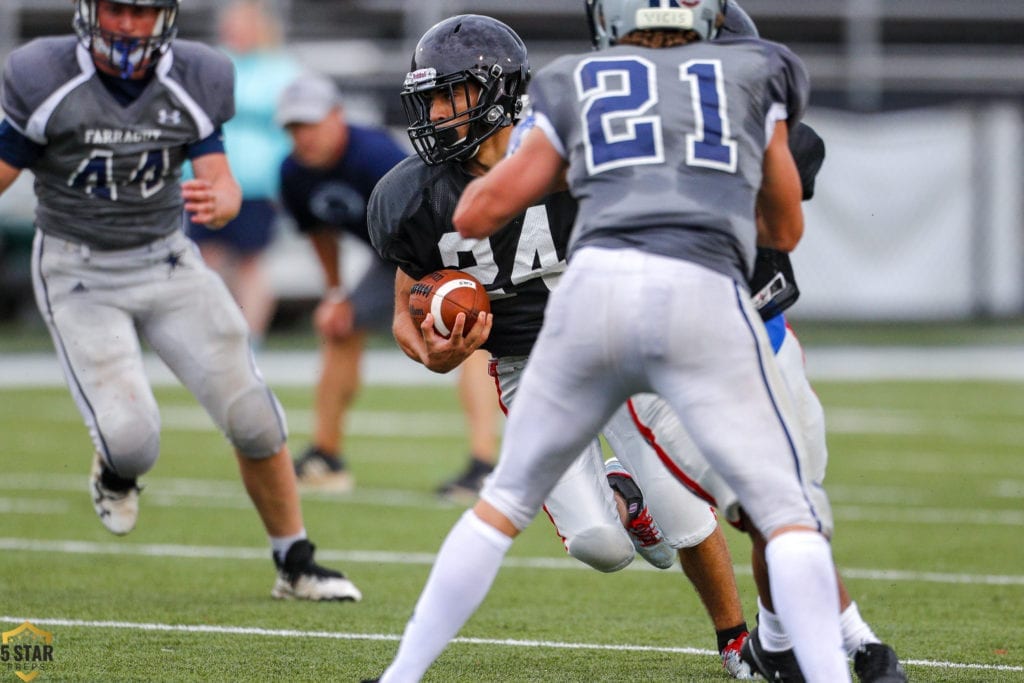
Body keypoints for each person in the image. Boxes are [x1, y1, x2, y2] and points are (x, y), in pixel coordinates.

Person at [367, 0, 855, 680]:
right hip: (532, 360)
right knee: (602, 543)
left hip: (619, 331)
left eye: (455, 96)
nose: (440, 115)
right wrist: (433, 351)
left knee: (692, 509)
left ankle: (740, 639)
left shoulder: (576, 127)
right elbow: (404, 312)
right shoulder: (411, 196)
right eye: (433, 101)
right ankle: (814, 634)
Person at [0, 0, 359, 602]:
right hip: (78, 272)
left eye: (145, 11)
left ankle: (295, 562)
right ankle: (117, 468)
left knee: (254, 415)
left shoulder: (197, 73)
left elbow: (218, 173)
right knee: (134, 440)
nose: (132, 25)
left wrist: (222, 196)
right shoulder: (44, 75)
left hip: (167, 261)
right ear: (90, 10)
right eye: (119, 9)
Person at [601, 5, 907, 681]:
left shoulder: (778, 138)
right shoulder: (606, 138)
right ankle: (846, 641)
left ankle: (778, 637)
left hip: (760, 336)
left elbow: (782, 226)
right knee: (765, 505)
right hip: (663, 359)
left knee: (796, 504)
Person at [275, 71, 500, 496]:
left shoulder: (373, 155)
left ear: (337, 116)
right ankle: (327, 454)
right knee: (339, 326)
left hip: (448, 243)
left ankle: (483, 463)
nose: (303, 136)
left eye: (310, 123)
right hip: (392, 257)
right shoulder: (293, 171)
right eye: (294, 127)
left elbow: (426, 210)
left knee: (467, 329)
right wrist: (336, 293)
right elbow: (321, 234)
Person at [184, 0, 301, 344]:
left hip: (256, 184)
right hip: (207, 178)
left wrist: (284, 179)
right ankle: (207, 333)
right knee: (206, 259)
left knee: (252, 262)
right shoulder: (207, 67)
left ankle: (251, 336)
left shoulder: (282, 70)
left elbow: (291, 131)